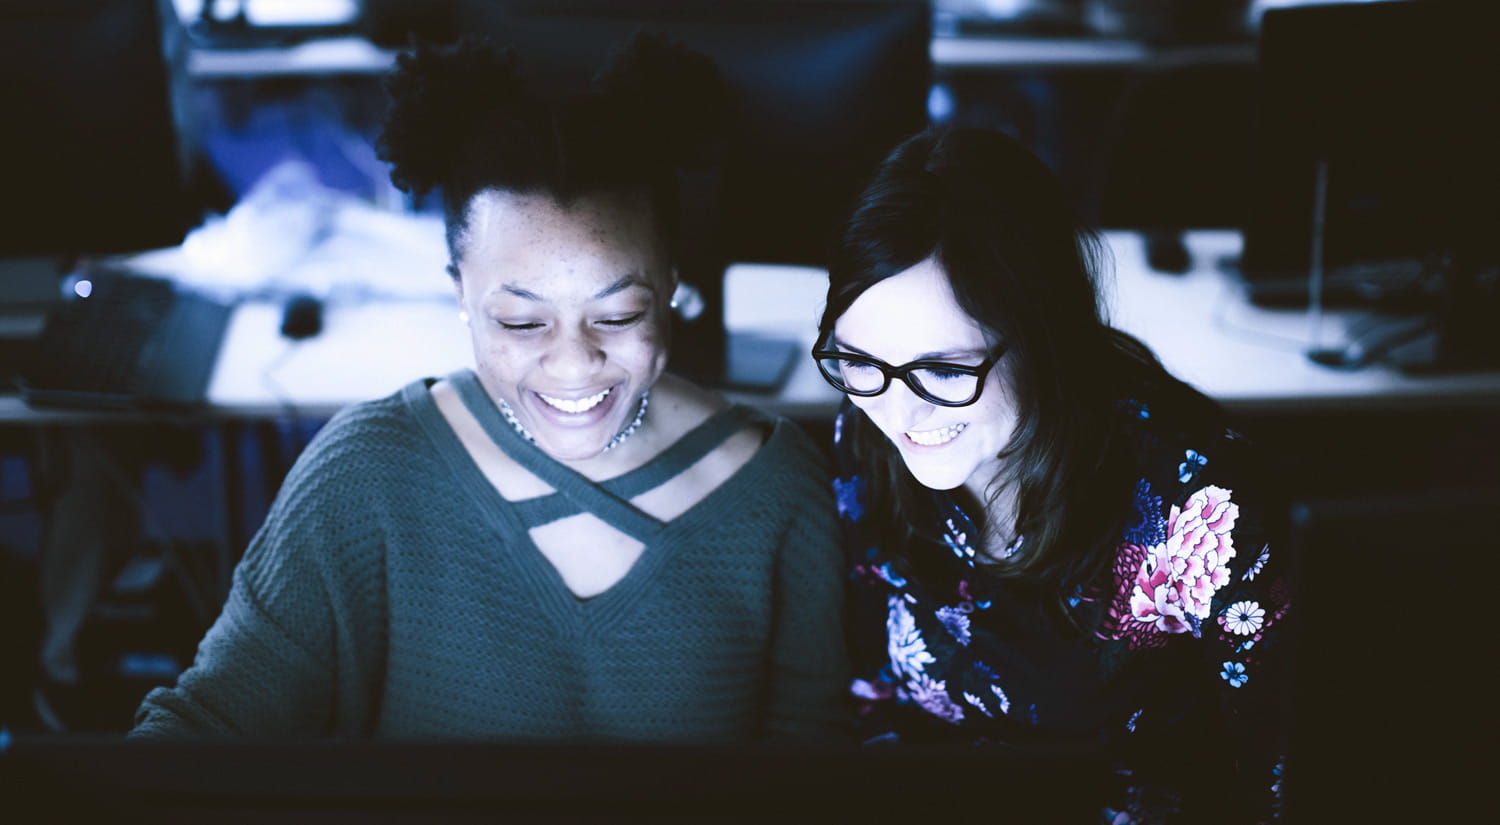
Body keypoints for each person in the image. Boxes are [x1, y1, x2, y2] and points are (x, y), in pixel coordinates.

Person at [129, 34, 849, 743]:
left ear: (671, 287)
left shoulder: (776, 493)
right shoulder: (366, 479)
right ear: (460, 296)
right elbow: (206, 728)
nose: (573, 362)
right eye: (521, 319)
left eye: (619, 313)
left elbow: (809, 772)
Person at [814, 126, 1289, 823]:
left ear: (1044, 337)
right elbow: (871, 700)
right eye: (859, 362)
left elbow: (1284, 780)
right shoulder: (867, 434)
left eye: (944, 369)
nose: (898, 407)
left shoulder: (1205, 504)